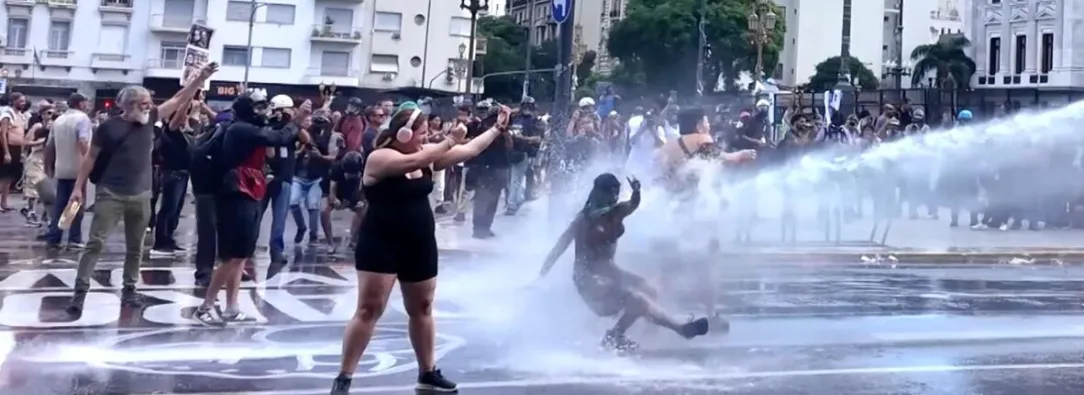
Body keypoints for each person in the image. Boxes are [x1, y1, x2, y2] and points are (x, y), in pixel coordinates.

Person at [331, 105, 509, 394]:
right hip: (381, 242)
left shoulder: (426, 158)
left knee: (422, 308)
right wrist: (450, 140)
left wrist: (497, 128)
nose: (426, 139)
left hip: (419, 242)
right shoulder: (381, 157)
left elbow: (470, 150)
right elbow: (419, 158)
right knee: (368, 309)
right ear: (403, 133)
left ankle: (427, 372)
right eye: (422, 133)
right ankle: (344, 376)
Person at [66, 63, 219, 315]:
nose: (148, 106)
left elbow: (180, 97)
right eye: (143, 103)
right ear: (126, 105)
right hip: (110, 193)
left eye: (149, 102)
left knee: (136, 247)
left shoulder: (152, 119)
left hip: (141, 194)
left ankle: (129, 290)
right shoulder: (108, 127)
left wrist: (200, 78)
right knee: (95, 243)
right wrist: (77, 188)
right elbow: (90, 159)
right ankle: (79, 293)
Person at [537, 173, 711, 351]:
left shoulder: (615, 212)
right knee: (637, 300)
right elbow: (559, 247)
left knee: (649, 289)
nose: (613, 196)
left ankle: (629, 331)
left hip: (610, 271)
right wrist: (541, 276)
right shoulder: (582, 221)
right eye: (609, 192)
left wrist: (636, 191)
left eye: (616, 191)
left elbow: (631, 205)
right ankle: (677, 329)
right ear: (598, 192)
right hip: (588, 278)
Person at [192, 90, 307, 326]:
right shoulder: (239, 129)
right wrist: (296, 120)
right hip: (237, 192)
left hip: (249, 189)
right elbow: (277, 138)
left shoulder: (244, 127)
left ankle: (232, 307)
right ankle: (206, 306)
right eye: (259, 107)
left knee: (240, 255)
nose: (264, 112)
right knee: (231, 255)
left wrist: (288, 120)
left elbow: (275, 133)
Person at [42, 93, 92, 249]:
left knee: (61, 203)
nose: (88, 106)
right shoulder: (82, 119)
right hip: (78, 167)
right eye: (86, 103)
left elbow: (49, 146)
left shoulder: (58, 120)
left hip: (61, 167)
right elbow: (83, 141)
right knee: (76, 203)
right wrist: (91, 160)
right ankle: (74, 238)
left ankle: (54, 236)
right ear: (81, 104)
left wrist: (47, 166)